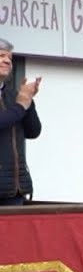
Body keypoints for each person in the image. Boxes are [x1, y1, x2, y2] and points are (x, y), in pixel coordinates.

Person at [0, 39, 42, 206]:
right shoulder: (17, 102)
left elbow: (33, 131)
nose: (7, 61)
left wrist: (28, 102)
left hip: (14, 190)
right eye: (1, 56)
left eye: (10, 58)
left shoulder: (13, 96)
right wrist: (21, 105)